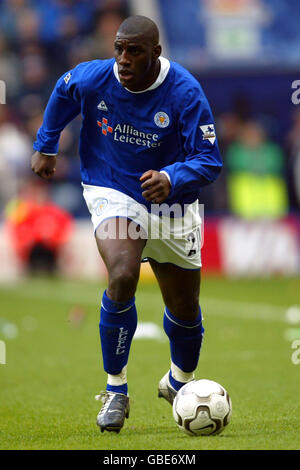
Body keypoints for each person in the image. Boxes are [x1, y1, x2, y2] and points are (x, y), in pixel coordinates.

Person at [31, 15, 222, 434]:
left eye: (133, 50)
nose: (122, 59)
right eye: (118, 48)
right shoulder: (96, 77)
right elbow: (64, 91)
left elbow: (209, 161)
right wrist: (46, 144)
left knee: (185, 310)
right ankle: (115, 390)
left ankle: (178, 382)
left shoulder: (186, 92)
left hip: (173, 205)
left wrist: (172, 177)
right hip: (112, 188)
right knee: (122, 274)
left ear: (156, 52)